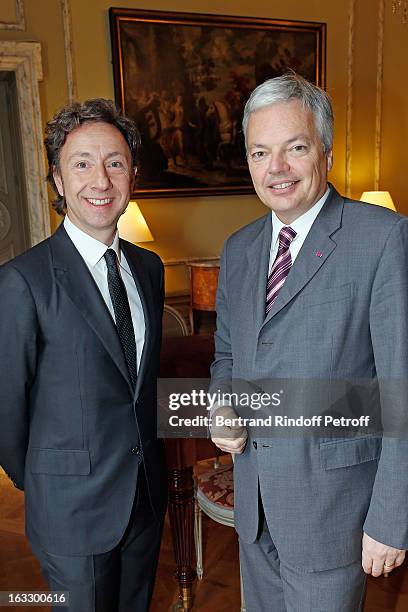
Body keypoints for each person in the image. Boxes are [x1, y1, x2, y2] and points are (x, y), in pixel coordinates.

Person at [209, 74, 408, 611]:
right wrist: (222, 403)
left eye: (294, 148)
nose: (276, 169)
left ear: (325, 149)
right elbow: (226, 353)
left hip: (336, 513)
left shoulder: (384, 238)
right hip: (255, 503)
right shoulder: (240, 248)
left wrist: (392, 518)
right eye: (259, 152)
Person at [0, 98, 167, 612]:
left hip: (143, 497)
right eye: (82, 163)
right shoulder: (22, 281)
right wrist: (52, 483)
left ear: (132, 175)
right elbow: (7, 412)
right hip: (70, 511)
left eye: (115, 162)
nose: (100, 179)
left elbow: (140, 388)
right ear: (57, 179)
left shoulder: (149, 267)